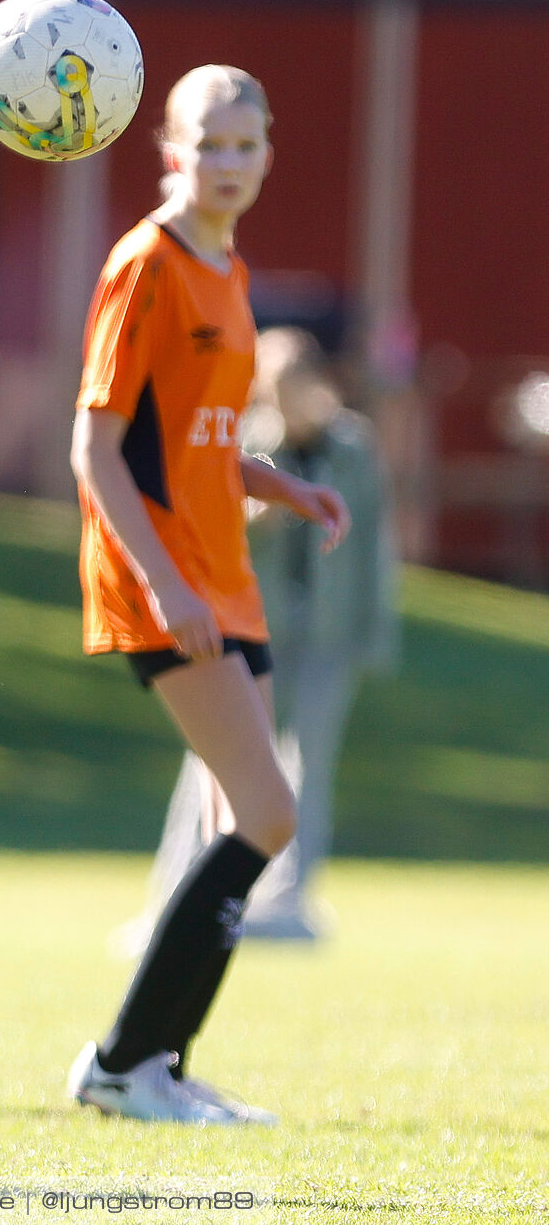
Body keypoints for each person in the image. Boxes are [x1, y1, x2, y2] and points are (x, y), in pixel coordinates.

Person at [66, 66, 351, 1125]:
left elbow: (201, 438)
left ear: (269, 152)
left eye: (247, 144)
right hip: (166, 580)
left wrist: (284, 483)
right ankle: (122, 1060)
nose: (228, 162)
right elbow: (94, 448)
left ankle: (159, 1066)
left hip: (224, 578)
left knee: (245, 821)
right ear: (171, 151)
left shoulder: (228, 268)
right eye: (208, 143)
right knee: (268, 814)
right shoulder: (146, 263)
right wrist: (162, 579)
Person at [130, 326, 396, 943]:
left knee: (312, 765)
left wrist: (373, 632)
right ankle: (173, 895)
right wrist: (263, 517)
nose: (284, 404)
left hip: (329, 635)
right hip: (254, 623)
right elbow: (211, 529)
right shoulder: (251, 441)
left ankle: (288, 902)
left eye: (294, 390)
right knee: (216, 758)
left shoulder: (354, 446)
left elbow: (375, 546)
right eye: (272, 392)